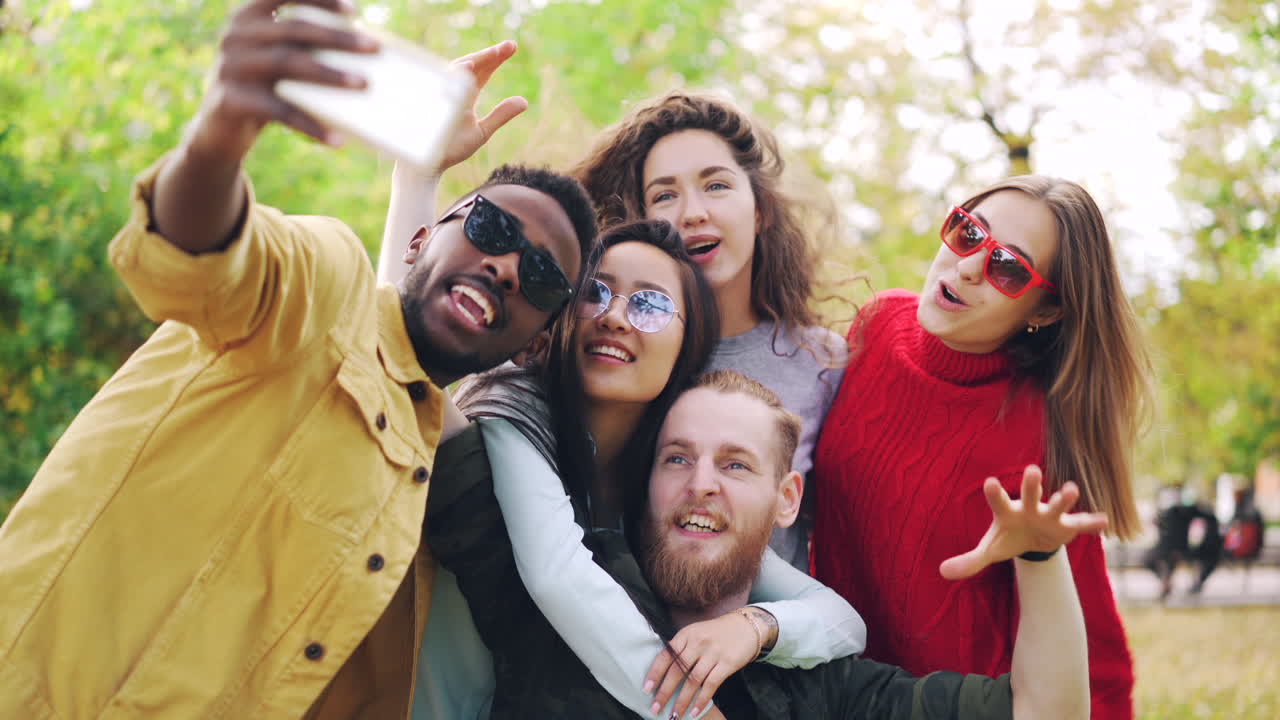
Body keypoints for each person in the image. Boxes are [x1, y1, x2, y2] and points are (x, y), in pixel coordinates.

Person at [0, 2, 596, 717]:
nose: (504, 266)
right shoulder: (326, 283)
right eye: (492, 227)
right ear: (419, 242)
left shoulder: (435, 488)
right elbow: (195, 261)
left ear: (533, 341)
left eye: (540, 278)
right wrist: (220, 136)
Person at [429, 369, 1102, 719]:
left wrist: (1041, 560)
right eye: (676, 459)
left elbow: (1045, 712)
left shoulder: (826, 691)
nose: (701, 485)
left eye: (735, 464)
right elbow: (424, 396)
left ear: (787, 502)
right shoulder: (553, 613)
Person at [408, 220, 864, 719]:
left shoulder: (669, 479)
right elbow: (558, 575)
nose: (615, 317)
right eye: (595, 293)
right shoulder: (509, 412)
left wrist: (754, 628)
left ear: (689, 345)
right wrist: (690, 712)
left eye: (651, 305)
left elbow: (842, 623)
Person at [813, 177, 1151, 720]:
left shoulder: (1042, 436)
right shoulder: (875, 325)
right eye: (968, 233)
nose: (969, 266)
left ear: (1046, 311)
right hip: (828, 688)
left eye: (1009, 268)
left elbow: (1092, 662)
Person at [569, 91, 847, 571]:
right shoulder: (609, 341)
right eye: (665, 195)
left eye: (716, 186)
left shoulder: (820, 361)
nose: (692, 212)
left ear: (760, 210)